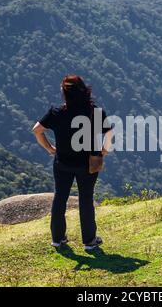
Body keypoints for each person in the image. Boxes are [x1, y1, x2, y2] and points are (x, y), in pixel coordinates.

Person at [33, 75, 113, 250]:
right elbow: (109, 134)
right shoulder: (95, 112)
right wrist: (104, 151)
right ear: (84, 91)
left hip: (62, 163)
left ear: (65, 93)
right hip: (88, 164)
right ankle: (90, 242)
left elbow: (37, 130)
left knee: (60, 198)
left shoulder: (56, 112)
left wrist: (49, 148)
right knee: (86, 199)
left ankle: (57, 239)